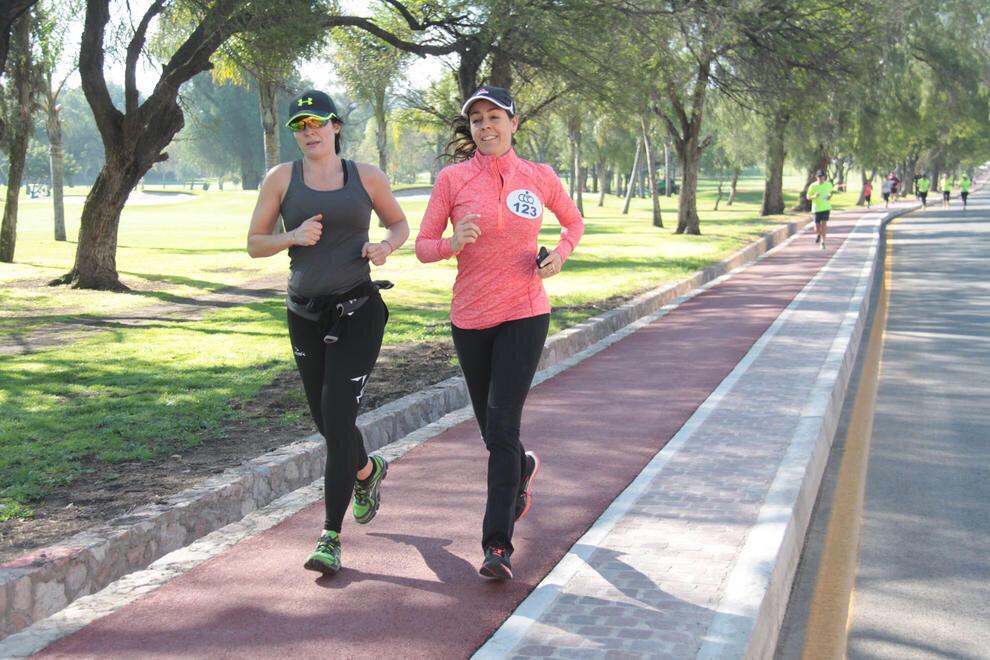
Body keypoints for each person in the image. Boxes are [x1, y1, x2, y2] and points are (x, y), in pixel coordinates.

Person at [415, 86, 584, 580]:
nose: (485, 126)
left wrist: (559, 255)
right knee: (494, 436)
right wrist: (451, 244)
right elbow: (423, 245)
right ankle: (521, 471)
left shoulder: (539, 176)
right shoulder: (453, 179)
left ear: (513, 122)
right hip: (470, 318)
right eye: (477, 120)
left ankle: (496, 546)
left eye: (494, 117)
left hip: (525, 311)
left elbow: (573, 223)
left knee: (504, 426)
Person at [247, 90, 410, 575]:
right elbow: (255, 243)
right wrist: (292, 237)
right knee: (326, 421)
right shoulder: (281, 179)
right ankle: (367, 470)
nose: (309, 132)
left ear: (335, 126)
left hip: (357, 310)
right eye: (300, 125)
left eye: (317, 122)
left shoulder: (366, 176)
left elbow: (398, 223)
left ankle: (330, 537)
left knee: (338, 421)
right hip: (304, 314)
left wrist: (385, 247)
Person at [807, 169, 839, 250]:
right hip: (816, 209)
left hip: (826, 208)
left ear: (824, 177)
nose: (820, 178)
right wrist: (814, 196)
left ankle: (823, 242)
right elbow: (808, 197)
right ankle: (818, 234)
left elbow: (831, 192)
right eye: (819, 177)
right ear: (816, 177)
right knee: (817, 227)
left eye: (822, 176)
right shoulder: (813, 186)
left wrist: (829, 196)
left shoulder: (828, 185)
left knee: (824, 225)